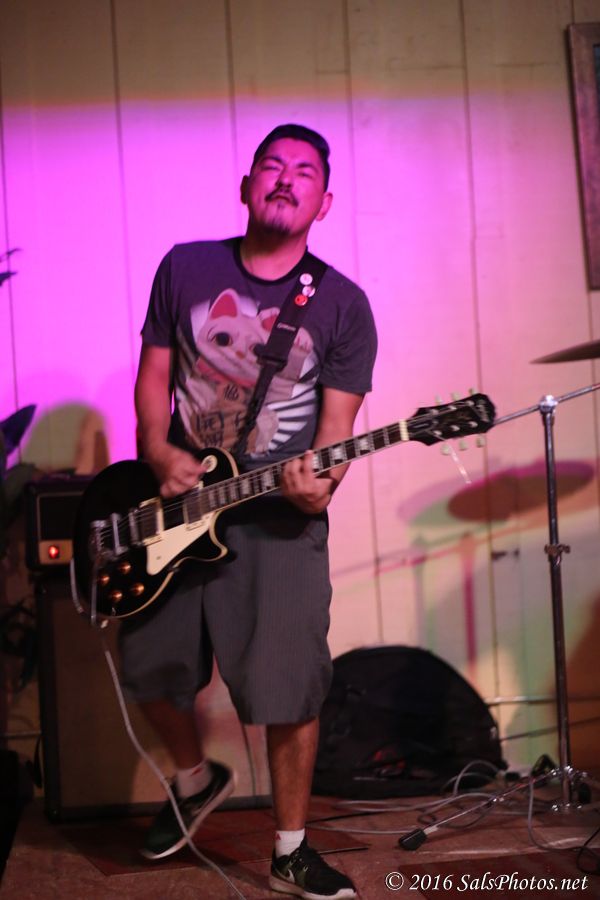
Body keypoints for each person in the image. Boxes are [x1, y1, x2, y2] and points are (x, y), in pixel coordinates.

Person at [122, 123, 377, 900]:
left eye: (304, 172)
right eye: (272, 164)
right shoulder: (185, 266)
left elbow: (336, 436)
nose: (285, 178)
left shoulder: (342, 304)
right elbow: (153, 376)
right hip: (177, 506)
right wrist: (156, 449)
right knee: (148, 666)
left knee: (288, 687)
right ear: (246, 185)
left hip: (276, 518)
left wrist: (319, 487)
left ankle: (290, 851)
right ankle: (195, 779)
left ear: (323, 203)